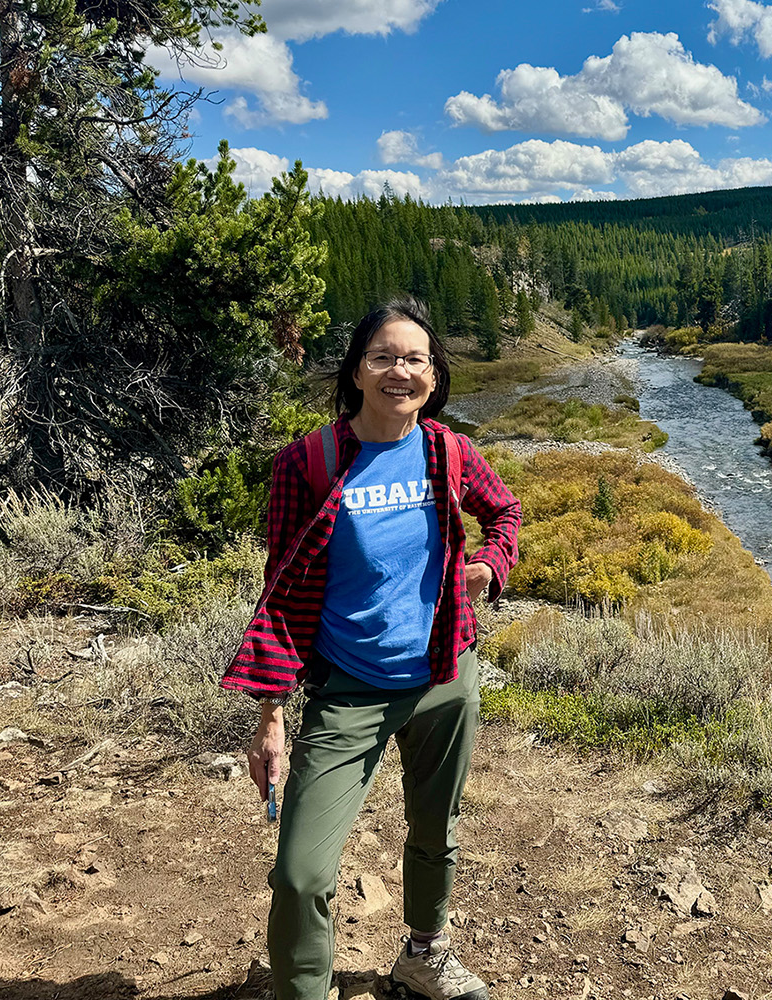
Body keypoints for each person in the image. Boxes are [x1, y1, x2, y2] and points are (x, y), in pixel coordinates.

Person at [221, 297, 521, 1000]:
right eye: (383, 357)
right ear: (357, 370)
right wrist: (270, 718)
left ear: (433, 374)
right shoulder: (311, 462)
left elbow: (502, 512)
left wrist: (490, 565)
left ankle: (424, 953)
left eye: (415, 359)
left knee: (434, 829)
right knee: (300, 874)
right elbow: (281, 595)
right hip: (348, 688)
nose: (399, 371)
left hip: (446, 676)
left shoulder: (449, 450)